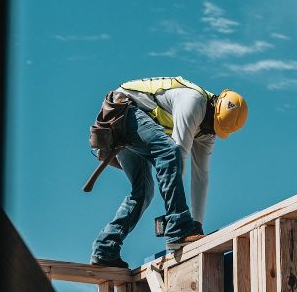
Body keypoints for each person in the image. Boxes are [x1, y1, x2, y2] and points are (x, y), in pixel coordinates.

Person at [90, 76, 247, 268]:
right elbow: (177, 155)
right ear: (213, 107)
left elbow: (201, 176)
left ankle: (105, 249)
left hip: (132, 123)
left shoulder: (208, 132)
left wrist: (197, 224)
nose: (208, 132)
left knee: (143, 192)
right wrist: (179, 224)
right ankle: (178, 227)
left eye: (214, 130)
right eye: (209, 125)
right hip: (121, 111)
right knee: (169, 151)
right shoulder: (194, 101)